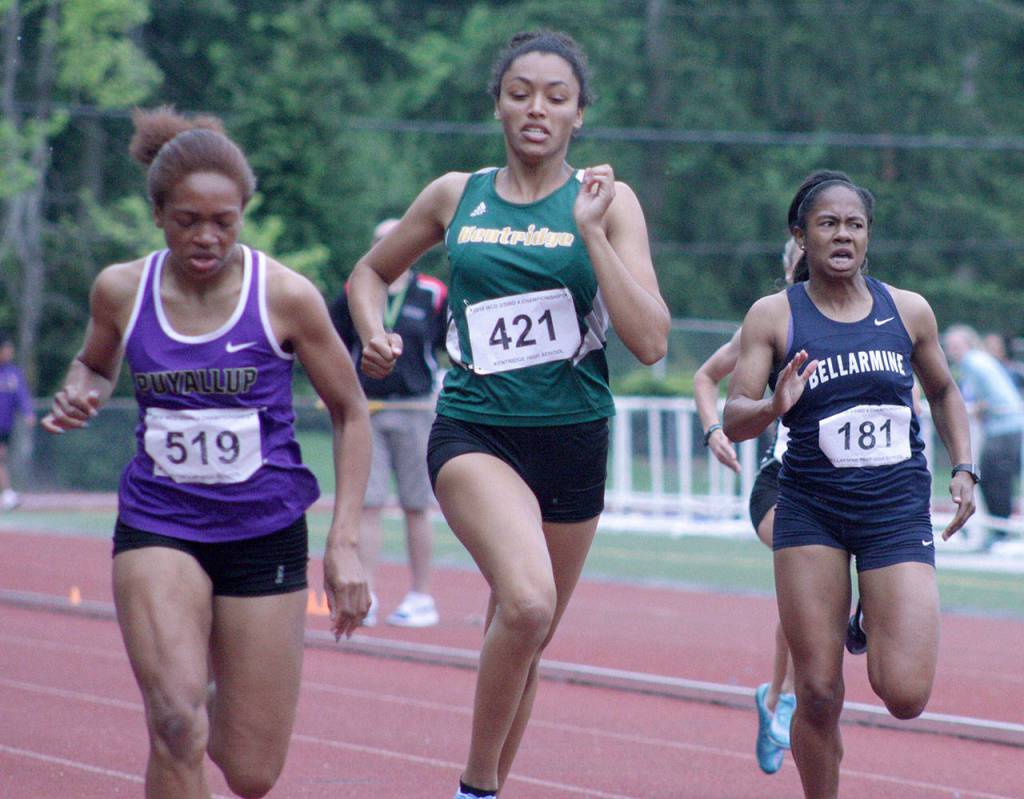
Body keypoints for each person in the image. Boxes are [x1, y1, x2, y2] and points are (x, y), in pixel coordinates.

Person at [346, 30, 669, 799]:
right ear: (497, 102)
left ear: (579, 116)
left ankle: (487, 788)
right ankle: (477, 787)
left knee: (527, 632)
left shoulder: (609, 202)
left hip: (575, 436)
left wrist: (591, 233)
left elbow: (651, 339)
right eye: (520, 91)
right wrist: (373, 331)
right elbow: (368, 274)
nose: (536, 107)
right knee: (526, 602)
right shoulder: (457, 194)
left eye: (557, 96)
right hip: (475, 430)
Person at [41, 106, 371, 799]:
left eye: (225, 221)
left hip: (264, 528)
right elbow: (94, 364)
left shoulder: (285, 296)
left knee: (251, 772)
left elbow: (350, 409)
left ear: (244, 214)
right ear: (158, 213)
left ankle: (214, 683)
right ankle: (187, 691)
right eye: (189, 219)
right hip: (160, 522)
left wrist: (345, 541)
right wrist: (82, 389)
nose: (207, 236)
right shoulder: (121, 290)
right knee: (175, 724)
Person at [723, 173, 976, 799]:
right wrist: (773, 405)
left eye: (854, 224)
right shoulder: (775, 315)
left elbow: (943, 391)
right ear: (801, 236)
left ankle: (863, 616)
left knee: (907, 695)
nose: (842, 235)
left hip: (894, 511)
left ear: (868, 236)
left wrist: (963, 467)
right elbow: (733, 414)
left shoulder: (908, 310)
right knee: (816, 692)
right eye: (828, 224)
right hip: (812, 510)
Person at [693, 236, 802, 775]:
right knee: (809, 570)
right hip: (780, 485)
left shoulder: (867, 317)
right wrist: (714, 428)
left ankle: (780, 695)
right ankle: (782, 698)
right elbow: (704, 376)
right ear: (789, 265)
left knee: (828, 589)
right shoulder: (771, 319)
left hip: (848, 486)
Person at [331, 217, 448, 627]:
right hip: (366, 411)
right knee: (369, 503)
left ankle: (421, 596)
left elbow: (449, 343)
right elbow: (333, 342)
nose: (390, 246)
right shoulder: (354, 290)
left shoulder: (433, 293)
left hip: (416, 410)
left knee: (417, 504)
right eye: (381, 241)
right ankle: (367, 592)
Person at [943, 324, 1023, 544]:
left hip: (1005, 427)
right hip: (1004, 427)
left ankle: (1001, 533)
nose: (951, 351)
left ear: (968, 344)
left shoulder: (973, 362)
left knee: (994, 481)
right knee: (992, 479)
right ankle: (997, 532)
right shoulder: (979, 361)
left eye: (956, 345)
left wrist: (979, 407)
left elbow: (995, 398)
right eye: (949, 346)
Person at [0, 335, 36, 510]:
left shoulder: (13, 373)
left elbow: (22, 395)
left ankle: (7, 493)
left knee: (2, 457)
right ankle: (7, 494)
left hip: (5, 425)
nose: (9, 353)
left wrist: (28, 413)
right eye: (5, 349)